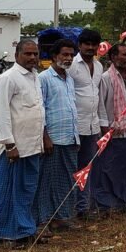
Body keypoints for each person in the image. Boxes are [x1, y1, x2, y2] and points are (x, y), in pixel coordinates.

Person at [0, 40, 45, 247]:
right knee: (7, 191)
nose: (32, 58)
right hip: (13, 148)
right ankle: (3, 233)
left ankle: (24, 230)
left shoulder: (35, 77)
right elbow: (0, 112)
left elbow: (38, 110)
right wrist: (10, 145)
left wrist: (43, 138)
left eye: (35, 54)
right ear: (17, 54)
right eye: (27, 54)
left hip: (32, 146)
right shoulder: (7, 78)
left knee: (27, 190)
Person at [33, 39, 79, 231]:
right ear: (54, 56)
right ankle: (43, 219)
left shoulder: (69, 78)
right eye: (64, 55)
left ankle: (61, 217)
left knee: (66, 179)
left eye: (71, 55)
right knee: (46, 180)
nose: (68, 58)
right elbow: (40, 109)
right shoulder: (44, 78)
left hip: (70, 137)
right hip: (52, 138)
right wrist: (45, 136)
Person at [96, 44, 126, 213]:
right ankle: (109, 204)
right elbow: (101, 104)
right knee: (110, 168)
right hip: (112, 131)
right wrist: (104, 128)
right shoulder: (106, 78)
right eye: (123, 55)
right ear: (113, 57)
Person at [68, 28, 103, 218]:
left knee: (87, 168)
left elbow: (96, 95)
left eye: (94, 45)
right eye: (86, 44)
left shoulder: (99, 67)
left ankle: (83, 207)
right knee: (71, 168)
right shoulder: (72, 65)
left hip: (92, 126)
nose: (90, 48)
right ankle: (68, 208)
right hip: (74, 127)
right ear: (79, 45)